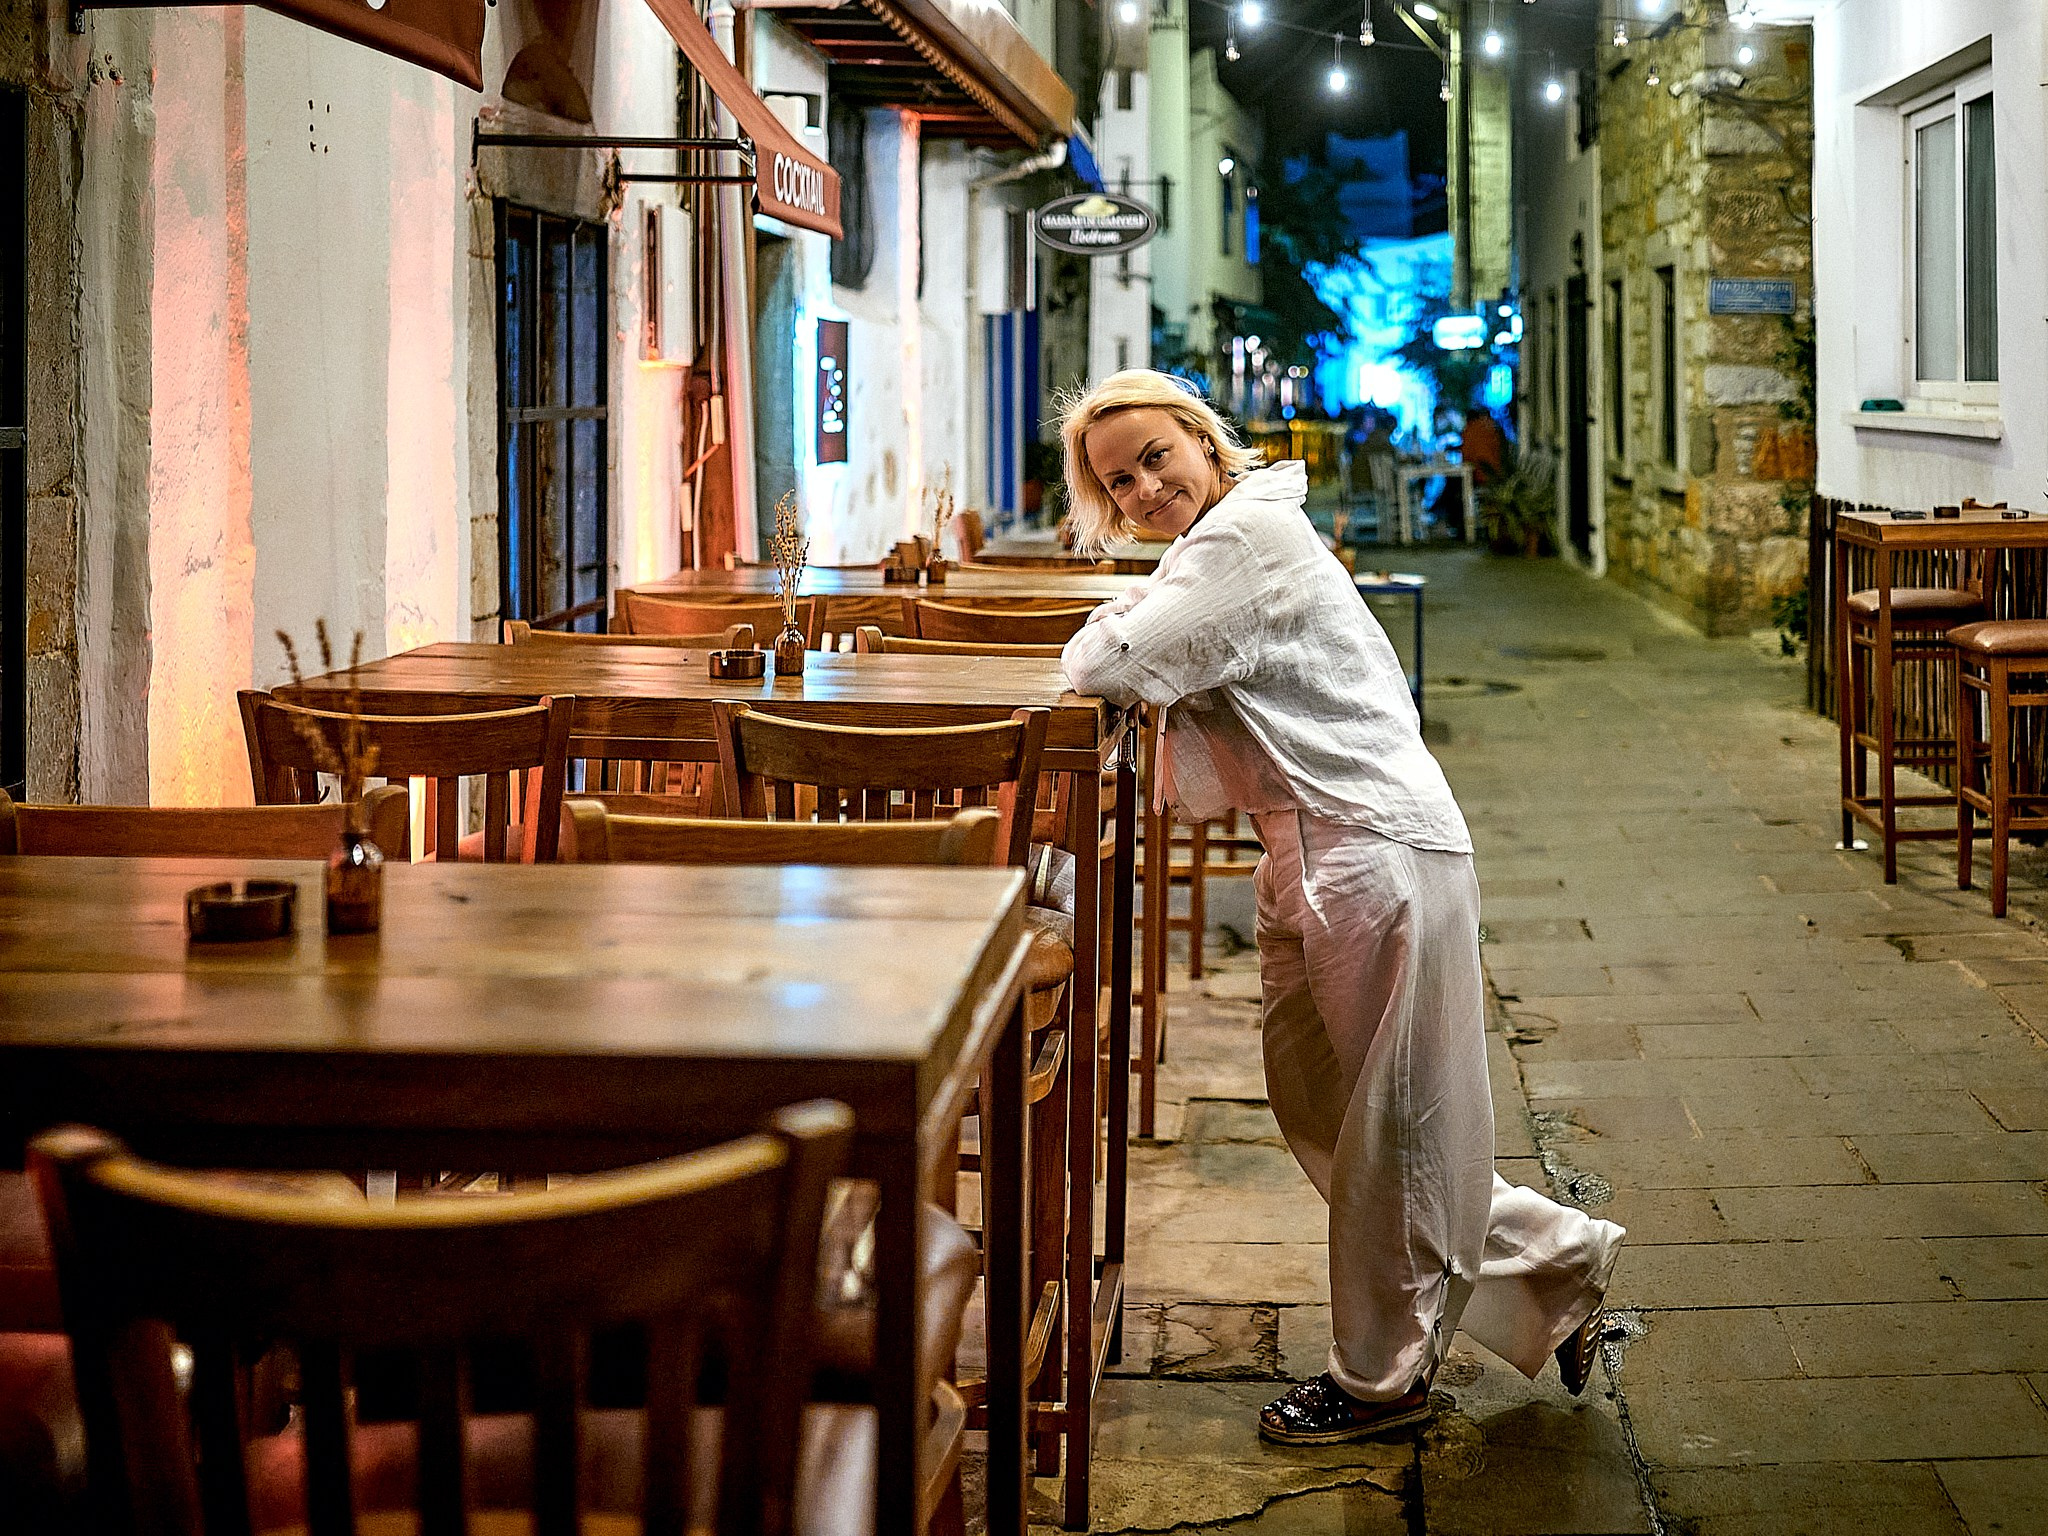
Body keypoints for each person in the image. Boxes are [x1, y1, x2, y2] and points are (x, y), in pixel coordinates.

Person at [1055, 370, 1623, 1444]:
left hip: (1369, 851)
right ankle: (1554, 1260)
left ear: (1202, 440)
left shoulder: (1243, 541)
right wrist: (1131, 608)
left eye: (1153, 457)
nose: (1141, 486)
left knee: (1391, 1128)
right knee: (1323, 1104)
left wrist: (1113, 612)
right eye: (1116, 480)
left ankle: (1381, 1380)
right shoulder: (1216, 545)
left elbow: (1107, 662)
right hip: (1311, 851)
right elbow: (1148, 652)